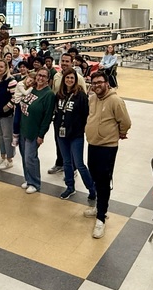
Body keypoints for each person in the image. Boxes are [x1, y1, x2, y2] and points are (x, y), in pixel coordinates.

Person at [83, 71, 131, 239]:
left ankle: (101, 218)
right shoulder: (93, 99)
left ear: (107, 83)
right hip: (93, 144)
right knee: (95, 177)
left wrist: (120, 133)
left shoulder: (115, 101)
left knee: (103, 182)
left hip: (107, 147)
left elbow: (125, 121)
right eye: (93, 82)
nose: (96, 85)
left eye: (99, 82)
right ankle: (99, 206)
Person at [53, 68, 96, 202]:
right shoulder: (59, 94)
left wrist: (82, 129)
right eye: (67, 78)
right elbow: (57, 112)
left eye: (72, 78)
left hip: (76, 134)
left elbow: (86, 114)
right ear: (63, 79)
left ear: (76, 80)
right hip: (61, 133)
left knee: (79, 163)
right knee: (66, 162)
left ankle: (92, 188)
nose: (69, 80)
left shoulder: (81, 95)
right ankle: (70, 187)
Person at [17, 67, 54, 194]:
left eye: (44, 76)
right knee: (24, 156)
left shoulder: (48, 95)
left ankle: (35, 183)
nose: (40, 78)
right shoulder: (32, 89)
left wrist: (41, 135)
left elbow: (47, 117)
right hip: (23, 128)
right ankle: (28, 179)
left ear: (48, 79)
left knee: (30, 158)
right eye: (39, 75)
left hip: (34, 132)